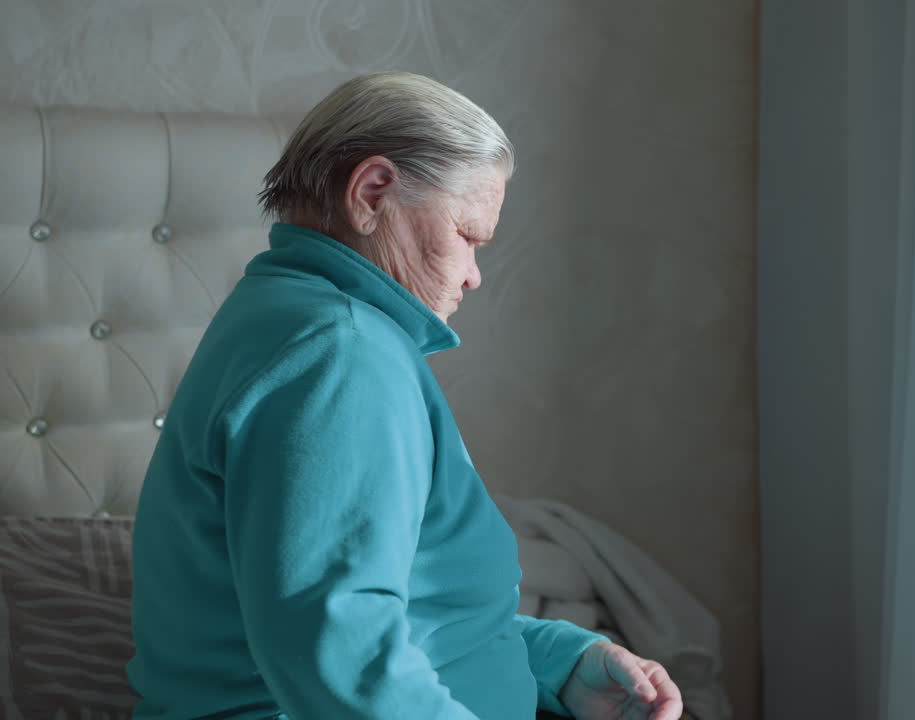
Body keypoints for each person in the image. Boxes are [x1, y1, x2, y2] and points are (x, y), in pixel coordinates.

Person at [127, 71, 684, 720]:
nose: (475, 275)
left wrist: (562, 665)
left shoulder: (286, 317)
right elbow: (338, 655)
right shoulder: (339, 355)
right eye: (469, 236)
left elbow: (400, 616)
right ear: (372, 192)